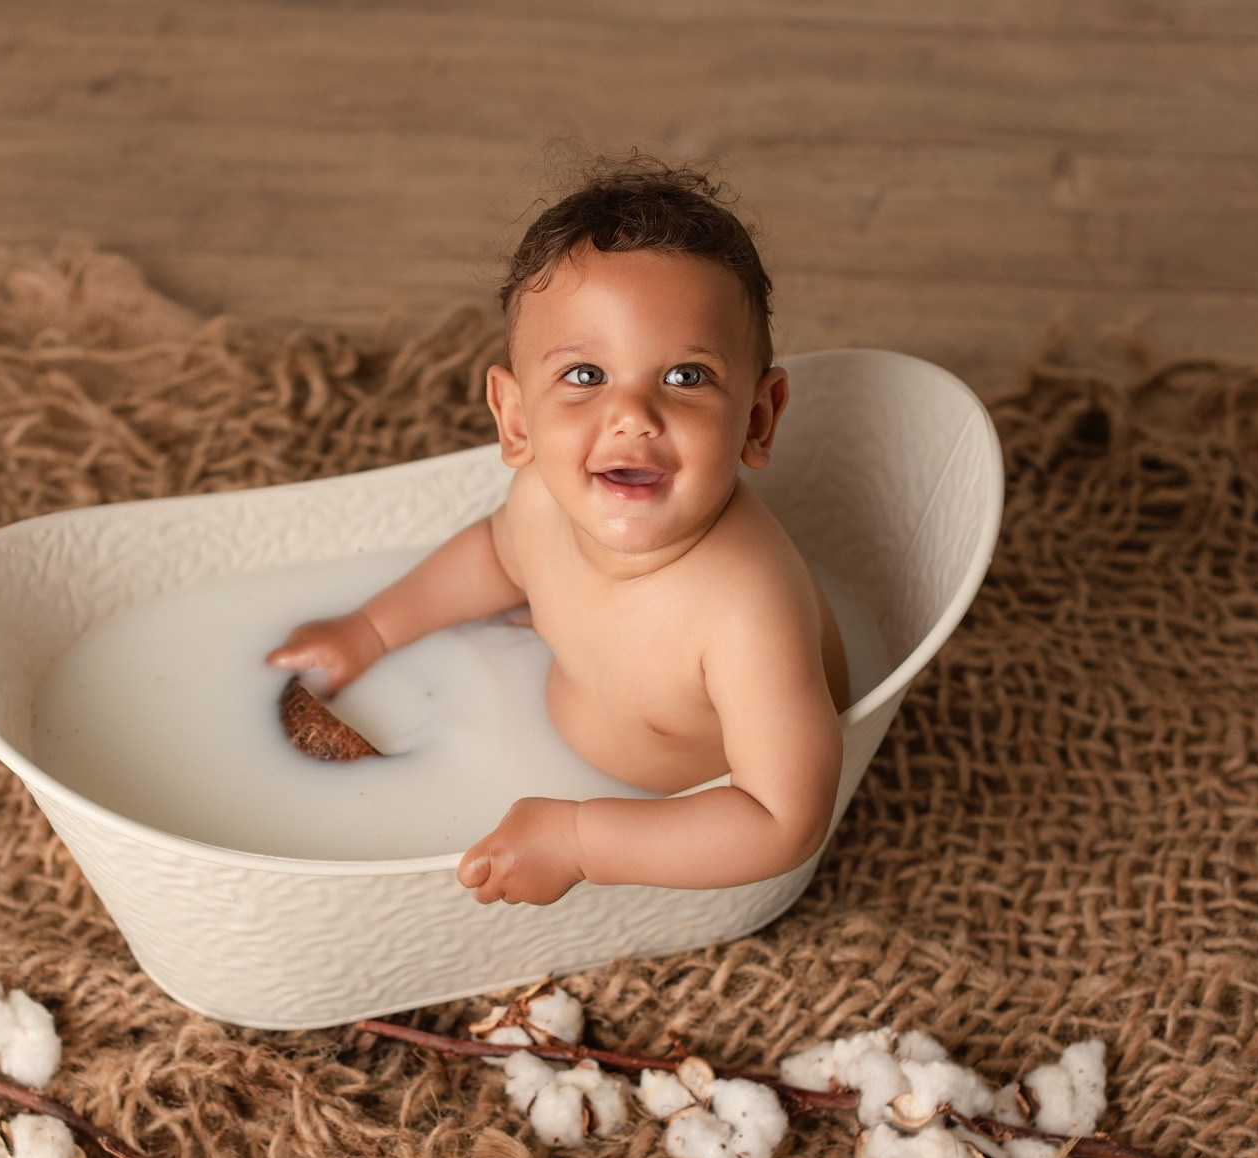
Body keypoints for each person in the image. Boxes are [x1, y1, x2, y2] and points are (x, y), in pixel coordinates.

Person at [267, 157, 848, 906]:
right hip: (543, 729)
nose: (633, 413)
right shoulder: (541, 497)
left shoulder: (743, 607)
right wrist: (371, 629)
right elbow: (493, 555)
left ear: (759, 419)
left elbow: (780, 820)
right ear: (514, 419)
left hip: (670, 829)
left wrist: (581, 840)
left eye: (686, 377)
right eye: (584, 376)